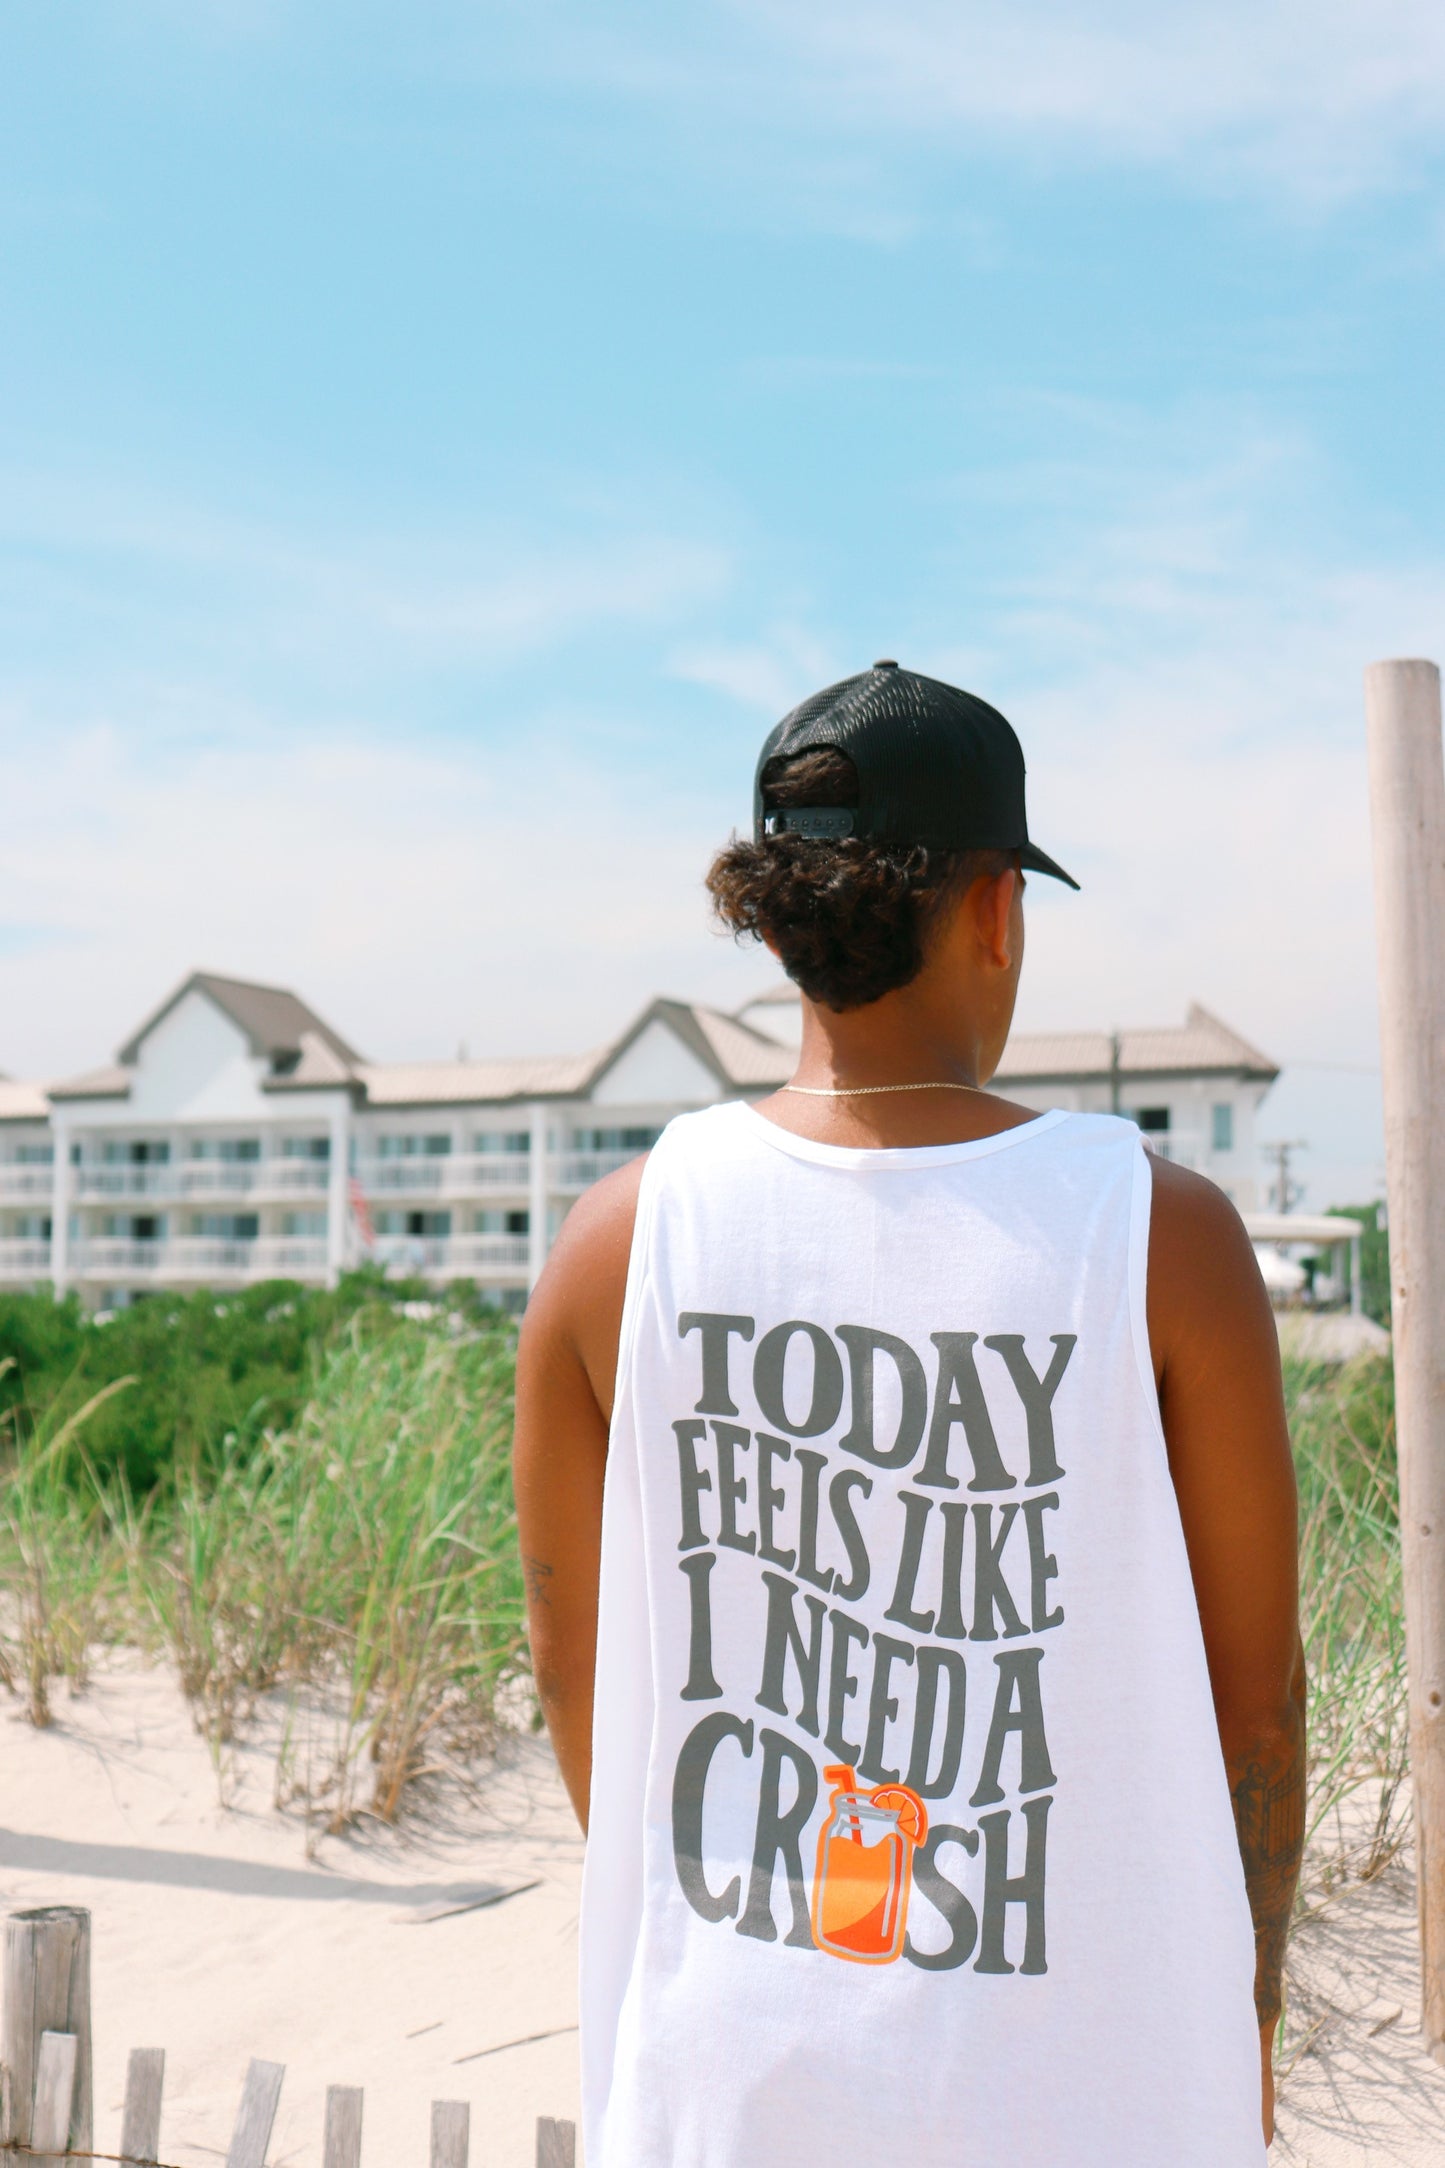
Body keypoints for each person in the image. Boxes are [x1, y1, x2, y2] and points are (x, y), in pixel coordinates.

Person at [513, 660, 1305, 2167]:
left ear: (775, 921)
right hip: (1080, 2079)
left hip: (722, 2070)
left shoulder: (615, 1238)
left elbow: (575, 1670)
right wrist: (1249, 2007)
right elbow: (1251, 1702)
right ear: (995, 909)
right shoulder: (1156, 1232)